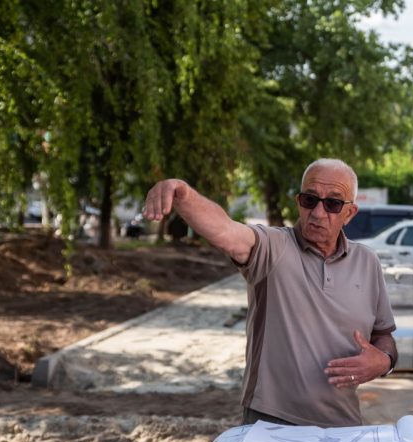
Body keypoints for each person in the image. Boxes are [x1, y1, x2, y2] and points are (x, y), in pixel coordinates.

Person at [143, 159, 398, 427]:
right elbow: (226, 231)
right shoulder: (274, 247)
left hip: (343, 426)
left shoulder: (367, 262)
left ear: (350, 213)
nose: (318, 213)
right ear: (298, 202)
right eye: (310, 200)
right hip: (271, 423)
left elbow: (383, 335)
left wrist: (383, 362)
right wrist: (183, 194)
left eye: (333, 204)